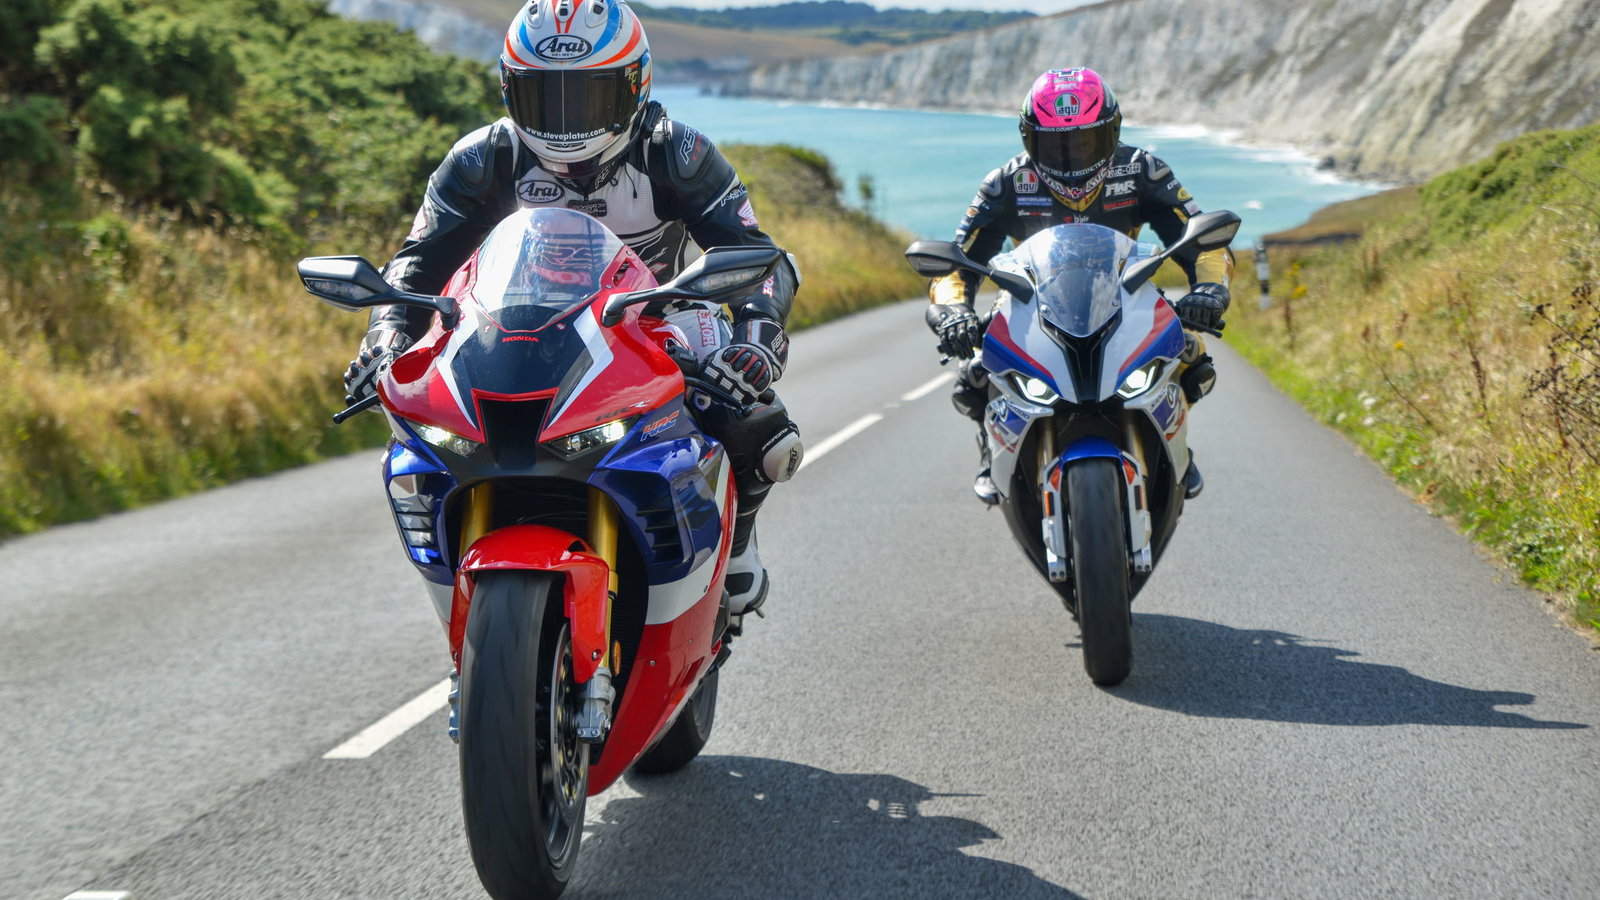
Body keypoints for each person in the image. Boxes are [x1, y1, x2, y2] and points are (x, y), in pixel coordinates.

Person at [343, 0, 802, 617]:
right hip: (507, 327)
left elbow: (758, 256)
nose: (564, 121)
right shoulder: (482, 158)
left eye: (587, 97)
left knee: (760, 427)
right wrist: (385, 338)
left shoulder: (677, 152)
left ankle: (737, 545)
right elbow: (415, 264)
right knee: (423, 437)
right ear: (510, 89)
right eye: (544, 97)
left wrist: (756, 339)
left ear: (634, 85)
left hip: (656, 320)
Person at [924, 67, 1232, 504]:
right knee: (973, 376)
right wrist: (955, 311)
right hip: (1030, 304)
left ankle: (1174, 441)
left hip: (1128, 297)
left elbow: (1200, 240)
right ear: (1028, 138)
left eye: (1085, 142)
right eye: (1055, 145)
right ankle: (991, 448)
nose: (1071, 158)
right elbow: (959, 260)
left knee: (1191, 357)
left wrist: (1209, 290)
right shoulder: (1006, 182)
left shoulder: (1143, 169)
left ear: (1112, 132)